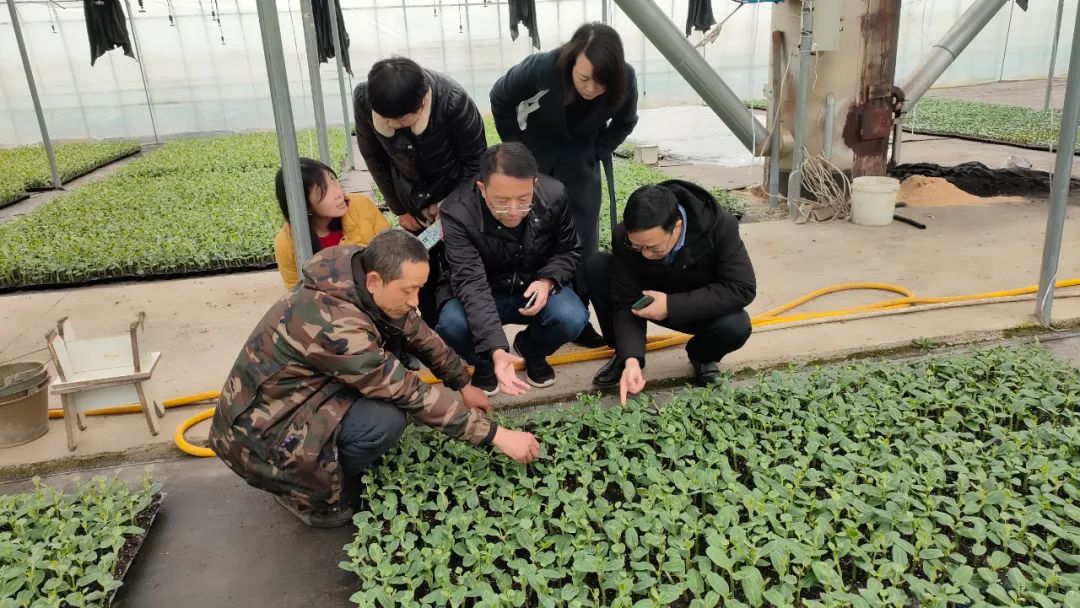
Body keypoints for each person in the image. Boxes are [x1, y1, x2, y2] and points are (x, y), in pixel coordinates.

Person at [210, 230, 540, 528]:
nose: (414, 301)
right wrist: (497, 436)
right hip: (258, 437)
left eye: (419, 289)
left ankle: (328, 463)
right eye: (408, 291)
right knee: (386, 419)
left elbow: (416, 331)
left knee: (390, 392)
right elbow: (408, 392)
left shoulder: (358, 271)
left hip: (295, 398)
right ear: (373, 282)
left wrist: (462, 383)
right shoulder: (335, 324)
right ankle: (300, 489)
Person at [490, 22, 639, 348]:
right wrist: (516, 149)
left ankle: (578, 318)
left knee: (582, 238)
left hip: (581, 158)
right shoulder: (540, 67)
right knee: (535, 232)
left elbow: (627, 120)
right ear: (572, 60)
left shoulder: (625, 80)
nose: (590, 89)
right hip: (536, 154)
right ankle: (535, 304)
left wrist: (599, 149)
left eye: (601, 85)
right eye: (584, 79)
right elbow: (499, 98)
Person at [434, 143, 589, 395]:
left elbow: (569, 250)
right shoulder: (456, 211)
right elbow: (471, 282)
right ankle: (484, 363)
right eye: (502, 201)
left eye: (523, 199)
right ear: (482, 189)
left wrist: (547, 280)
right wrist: (495, 349)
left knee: (572, 316)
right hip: (482, 291)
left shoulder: (554, 194)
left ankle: (531, 350)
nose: (514, 211)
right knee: (452, 323)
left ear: (534, 184)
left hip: (531, 287)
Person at [585, 180, 756, 402]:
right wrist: (632, 358)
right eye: (637, 247)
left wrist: (671, 305)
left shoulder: (719, 226)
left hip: (696, 307)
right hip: (645, 301)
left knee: (737, 325)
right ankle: (625, 355)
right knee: (598, 267)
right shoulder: (624, 237)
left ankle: (702, 357)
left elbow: (742, 287)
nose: (645, 254)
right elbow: (624, 299)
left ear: (676, 226)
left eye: (654, 248)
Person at [272, 158, 389, 289]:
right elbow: (297, 292)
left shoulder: (361, 206)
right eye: (325, 190)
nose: (339, 193)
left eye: (333, 180)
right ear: (304, 205)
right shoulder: (287, 243)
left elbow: (389, 253)